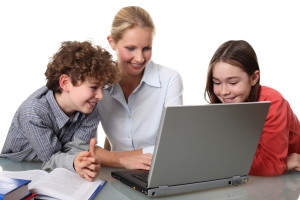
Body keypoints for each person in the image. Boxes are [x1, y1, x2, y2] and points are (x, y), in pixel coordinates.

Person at [0, 41, 119, 181]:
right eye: (93, 87)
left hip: (57, 168)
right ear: (65, 83)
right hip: (17, 170)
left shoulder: (90, 107)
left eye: (102, 87)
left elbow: (78, 148)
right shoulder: (33, 112)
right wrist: (74, 161)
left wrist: (80, 160)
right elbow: (50, 158)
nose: (100, 96)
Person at [94, 6, 183, 170]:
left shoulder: (169, 80)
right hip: (115, 172)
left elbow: (173, 147)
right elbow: (84, 148)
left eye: (147, 48)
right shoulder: (97, 83)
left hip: (159, 170)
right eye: (131, 48)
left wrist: (111, 157)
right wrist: (121, 161)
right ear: (111, 42)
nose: (140, 58)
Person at [204, 40, 300, 176]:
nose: (224, 91)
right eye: (217, 82)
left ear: (254, 78)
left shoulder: (272, 102)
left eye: (233, 82)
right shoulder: (223, 105)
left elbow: (270, 164)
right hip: (269, 176)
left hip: (292, 177)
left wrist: (222, 160)